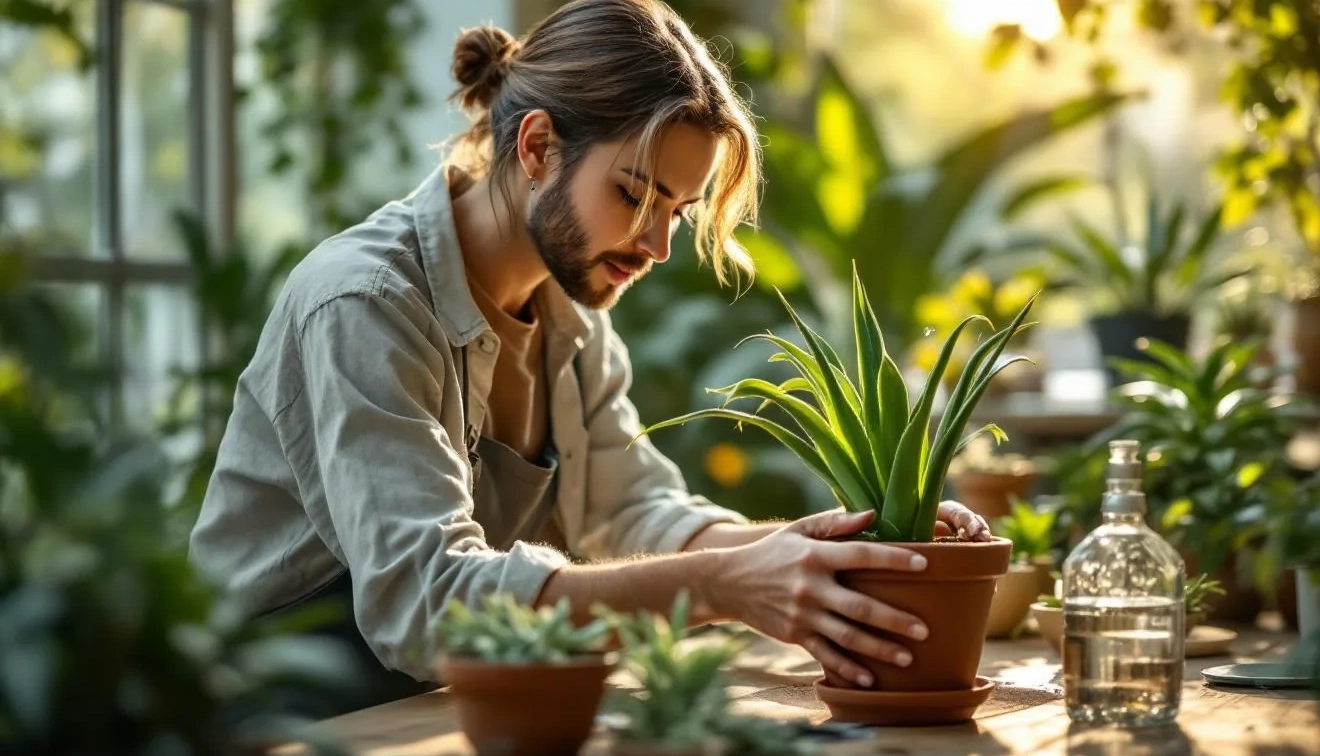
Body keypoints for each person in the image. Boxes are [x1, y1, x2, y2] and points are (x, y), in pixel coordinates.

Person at [189, 0, 990, 713]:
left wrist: (818, 550)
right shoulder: (365, 302)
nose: (658, 243)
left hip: (443, 705)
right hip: (282, 715)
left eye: (676, 209)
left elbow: (633, 512)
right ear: (537, 148)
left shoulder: (567, 303)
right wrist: (720, 586)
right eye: (635, 195)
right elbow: (423, 605)